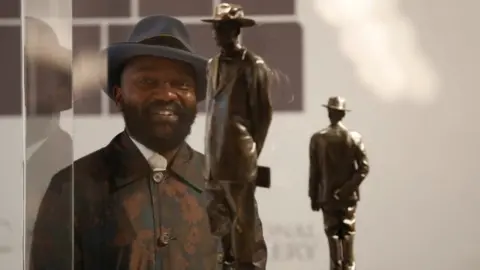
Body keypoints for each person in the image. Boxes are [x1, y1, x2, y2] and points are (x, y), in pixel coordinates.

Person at [30, 15, 266, 269]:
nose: (166, 94)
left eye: (181, 84)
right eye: (147, 82)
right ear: (119, 95)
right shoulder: (72, 188)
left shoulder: (227, 185)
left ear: (196, 97)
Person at [201, 3, 272, 270]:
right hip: (213, 158)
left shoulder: (253, 65)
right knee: (218, 221)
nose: (216, 33)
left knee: (245, 223)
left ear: (235, 31)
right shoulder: (212, 65)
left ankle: (248, 266)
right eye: (215, 28)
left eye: (221, 28)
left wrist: (252, 154)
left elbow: (262, 115)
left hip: (239, 157)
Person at [308, 96, 370, 270]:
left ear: (329, 112)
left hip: (327, 196)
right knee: (348, 234)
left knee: (332, 235)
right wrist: (347, 189)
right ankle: (349, 267)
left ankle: (336, 267)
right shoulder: (354, 138)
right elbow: (364, 168)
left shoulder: (318, 139)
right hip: (348, 197)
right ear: (343, 114)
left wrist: (313, 196)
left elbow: (315, 172)